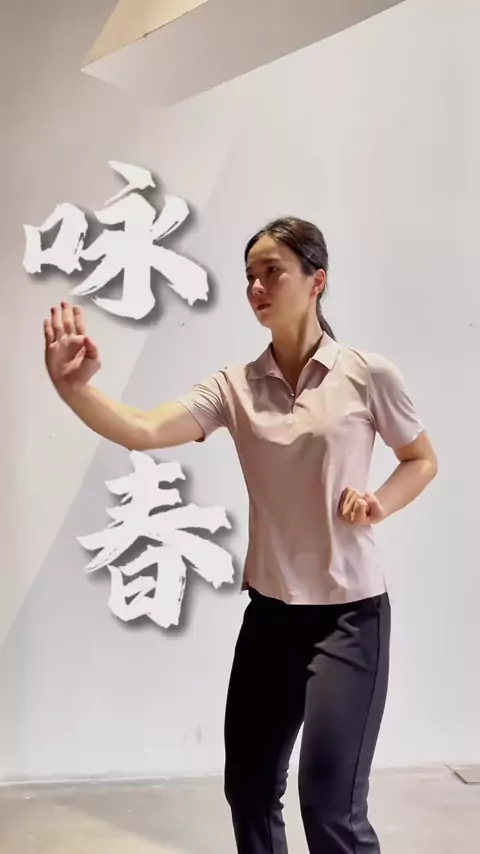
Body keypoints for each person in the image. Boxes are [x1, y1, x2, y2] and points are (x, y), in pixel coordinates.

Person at [44, 217, 437, 854]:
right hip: (271, 619)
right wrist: (75, 389)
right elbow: (144, 428)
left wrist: (378, 504)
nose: (257, 286)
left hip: (350, 618)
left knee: (330, 806)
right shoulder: (235, 386)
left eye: (272, 271)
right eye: (250, 275)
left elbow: (421, 460)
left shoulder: (368, 374)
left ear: (317, 280)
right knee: (250, 790)